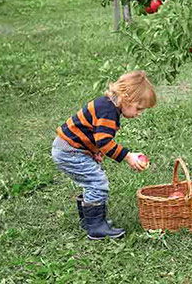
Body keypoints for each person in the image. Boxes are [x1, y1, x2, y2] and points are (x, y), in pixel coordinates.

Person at [51, 71, 157, 240]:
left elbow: (93, 134)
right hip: (69, 151)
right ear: (126, 98)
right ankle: (96, 227)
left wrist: (94, 152)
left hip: (70, 148)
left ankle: (89, 221)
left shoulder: (107, 106)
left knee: (91, 180)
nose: (138, 113)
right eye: (138, 108)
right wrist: (127, 156)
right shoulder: (108, 111)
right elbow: (104, 142)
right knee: (97, 182)